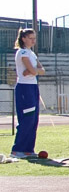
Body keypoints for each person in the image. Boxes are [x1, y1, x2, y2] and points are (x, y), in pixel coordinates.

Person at [11, 28, 44, 160]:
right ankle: (18, 149)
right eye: (31, 38)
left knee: (34, 119)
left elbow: (42, 70)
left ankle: (28, 149)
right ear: (24, 38)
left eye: (34, 38)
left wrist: (34, 71)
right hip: (24, 88)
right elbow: (32, 70)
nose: (33, 41)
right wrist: (33, 71)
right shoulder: (23, 52)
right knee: (27, 118)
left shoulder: (32, 53)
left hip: (33, 87)